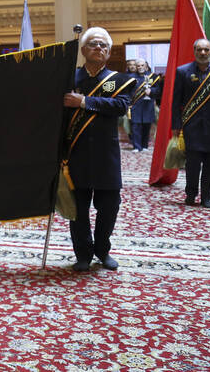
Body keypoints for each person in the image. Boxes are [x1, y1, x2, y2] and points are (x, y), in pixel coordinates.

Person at [63, 27, 134, 272]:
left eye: (104, 45)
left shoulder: (119, 80)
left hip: (106, 155)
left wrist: (84, 101)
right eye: (93, 44)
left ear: (109, 52)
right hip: (76, 153)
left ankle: (103, 250)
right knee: (78, 209)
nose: (99, 48)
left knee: (109, 207)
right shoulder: (69, 78)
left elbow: (120, 106)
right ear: (83, 50)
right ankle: (83, 253)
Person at [172, 38, 210, 208]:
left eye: (206, 50)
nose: (203, 53)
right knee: (192, 165)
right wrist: (176, 124)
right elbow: (176, 101)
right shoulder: (182, 71)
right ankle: (191, 194)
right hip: (192, 125)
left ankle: (207, 197)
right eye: (199, 49)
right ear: (194, 51)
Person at [129, 59, 157, 152]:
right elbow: (127, 91)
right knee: (135, 126)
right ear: (136, 67)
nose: (140, 67)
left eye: (142, 65)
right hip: (135, 105)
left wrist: (151, 91)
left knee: (146, 126)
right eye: (138, 66)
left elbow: (158, 90)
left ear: (146, 66)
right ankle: (136, 147)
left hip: (147, 105)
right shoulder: (131, 77)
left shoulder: (152, 76)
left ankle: (144, 146)